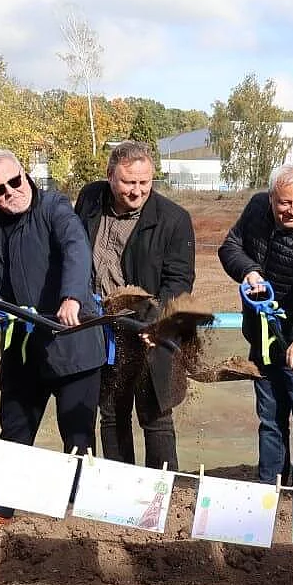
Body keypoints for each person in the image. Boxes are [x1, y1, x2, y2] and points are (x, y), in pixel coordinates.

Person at [0, 148, 106, 531]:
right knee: (14, 428)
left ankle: (79, 514)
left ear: (25, 175)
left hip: (72, 340)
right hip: (21, 349)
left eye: (17, 181)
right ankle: (1, 510)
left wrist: (72, 295)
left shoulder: (55, 209)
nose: (12, 192)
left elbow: (77, 250)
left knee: (77, 433)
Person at [74, 141, 196, 469]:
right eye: (128, 182)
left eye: (145, 182)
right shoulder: (89, 199)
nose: (137, 191)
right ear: (110, 177)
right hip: (101, 326)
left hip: (149, 328)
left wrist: (157, 322)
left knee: (154, 414)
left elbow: (179, 280)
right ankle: (118, 487)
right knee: (112, 414)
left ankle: (161, 488)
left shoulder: (174, 219)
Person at [219, 165, 293, 487]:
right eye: (285, 202)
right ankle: (269, 485)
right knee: (270, 418)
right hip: (263, 335)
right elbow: (230, 247)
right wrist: (249, 270)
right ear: (271, 198)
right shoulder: (257, 208)